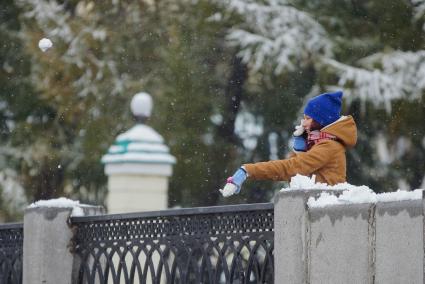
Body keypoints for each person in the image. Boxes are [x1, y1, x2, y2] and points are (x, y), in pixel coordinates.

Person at [220, 91, 357, 197]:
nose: (303, 123)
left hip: (327, 214)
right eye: (304, 118)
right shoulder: (321, 142)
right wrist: (300, 149)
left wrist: (248, 170)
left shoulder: (328, 146)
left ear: (322, 120)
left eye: (308, 118)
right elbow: (296, 177)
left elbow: (292, 169)